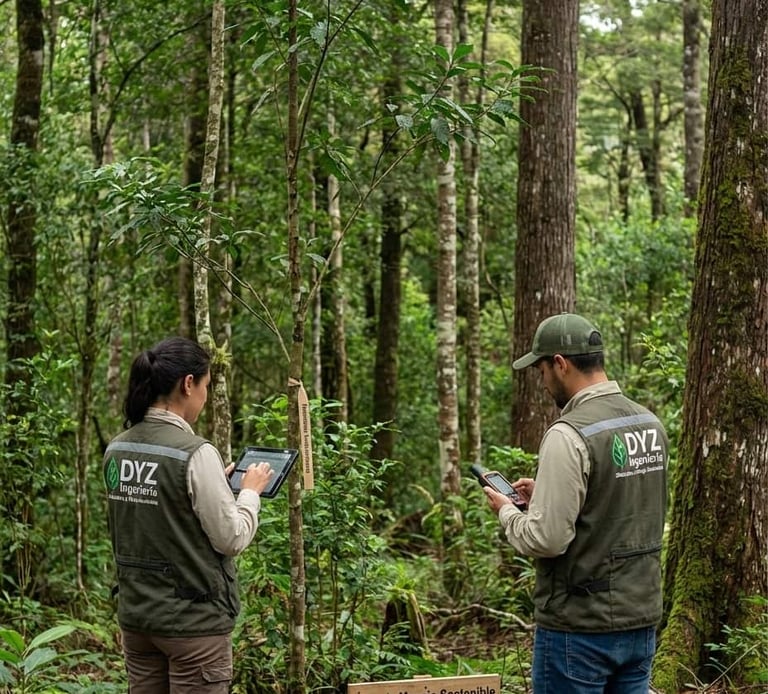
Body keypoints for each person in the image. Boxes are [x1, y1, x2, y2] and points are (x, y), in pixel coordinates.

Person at [483, 313, 668, 693]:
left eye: (541, 369)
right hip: (640, 619)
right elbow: (624, 503)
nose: (542, 381)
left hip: (579, 631)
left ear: (561, 364)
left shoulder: (568, 434)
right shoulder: (650, 424)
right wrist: (549, 495)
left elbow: (546, 540)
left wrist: (506, 511)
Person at [103, 336, 274, 693]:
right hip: (192, 626)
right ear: (188, 384)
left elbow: (148, 517)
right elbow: (232, 537)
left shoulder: (117, 448)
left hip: (137, 620)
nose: (206, 397)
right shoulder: (195, 452)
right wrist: (249, 494)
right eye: (207, 386)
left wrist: (215, 486)